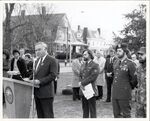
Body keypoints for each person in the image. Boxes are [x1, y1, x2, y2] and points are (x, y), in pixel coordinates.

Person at [32, 42, 58, 118]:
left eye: (39, 49)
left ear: (45, 49)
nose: (37, 52)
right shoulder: (36, 61)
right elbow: (36, 74)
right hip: (37, 93)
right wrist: (28, 78)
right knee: (40, 116)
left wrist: (40, 81)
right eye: (36, 50)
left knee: (48, 116)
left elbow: (53, 75)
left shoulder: (52, 60)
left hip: (46, 93)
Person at [112, 43, 137, 118]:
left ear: (125, 52)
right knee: (116, 114)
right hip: (115, 93)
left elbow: (134, 79)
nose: (117, 52)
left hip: (124, 93)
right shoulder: (116, 62)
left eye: (120, 51)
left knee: (126, 114)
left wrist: (128, 88)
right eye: (117, 51)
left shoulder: (130, 63)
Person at [79, 49, 99, 118]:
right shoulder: (83, 64)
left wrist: (82, 83)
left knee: (92, 110)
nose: (83, 56)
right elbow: (80, 75)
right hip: (83, 90)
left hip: (91, 90)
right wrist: (80, 83)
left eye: (85, 54)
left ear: (90, 55)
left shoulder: (95, 65)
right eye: (83, 55)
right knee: (85, 109)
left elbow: (92, 77)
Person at [135, 47, 146, 118]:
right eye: (138, 54)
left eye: (142, 54)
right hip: (140, 102)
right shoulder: (139, 68)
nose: (139, 56)